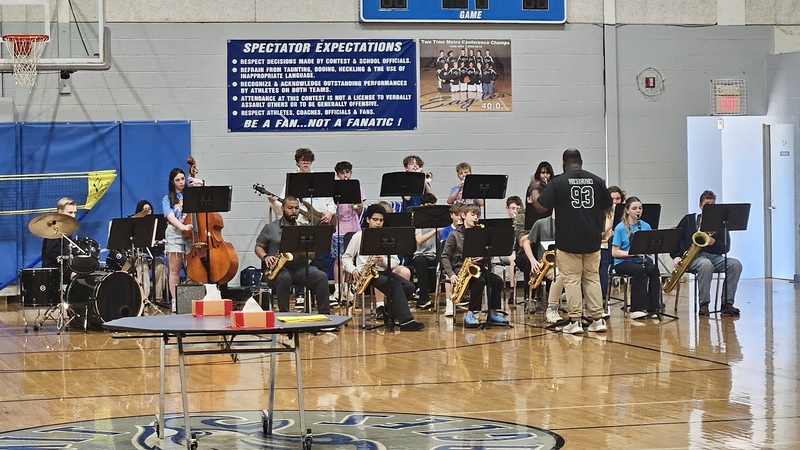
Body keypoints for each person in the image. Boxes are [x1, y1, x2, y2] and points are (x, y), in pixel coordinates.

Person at [534, 149, 612, 334]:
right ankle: (598, 319)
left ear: (564, 164)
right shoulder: (596, 180)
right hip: (592, 239)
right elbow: (608, 206)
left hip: (568, 240)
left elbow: (540, 207)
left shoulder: (558, 181)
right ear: (581, 162)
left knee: (572, 280)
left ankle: (575, 321)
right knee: (592, 278)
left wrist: (535, 190)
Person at [268, 148, 336, 309]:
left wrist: (329, 212)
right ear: (297, 162)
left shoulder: (320, 180)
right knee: (298, 260)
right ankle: (300, 295)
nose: (306, 162)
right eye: (303, 160)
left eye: (308, 160)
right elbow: (282, 207)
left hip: (319, 225)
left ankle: (320, 297)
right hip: (299, 226)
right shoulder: (291, 181)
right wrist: (273, 202)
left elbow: (331, 203)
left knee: (319, 261)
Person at [342, 204, 425, 331]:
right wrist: (353, 269)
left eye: (381, 220)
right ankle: (406, 322)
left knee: (410, 287)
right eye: (375, 219)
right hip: (366, 275)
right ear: (368, 219)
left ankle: (388, 313)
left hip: (383, 271)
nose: (378, 223)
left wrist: (383, 262)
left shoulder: (387, 236)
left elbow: (395, 261)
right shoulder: (359, 236)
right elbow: (346, 257)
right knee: (394, 285)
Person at [254, 196, 331, 315]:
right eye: (290, 208)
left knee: (321, 276)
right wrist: (265, 257)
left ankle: (325, 314)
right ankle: (284, 314)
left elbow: (312, 256)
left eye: (296, 208)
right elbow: (258, 247)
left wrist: (302, 250)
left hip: (300, 269)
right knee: (285, 278)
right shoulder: (270, 228)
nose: (294, 211)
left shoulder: (304, 228)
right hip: (278, 269)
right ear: (282, 208)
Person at [670, 190, 742, 317]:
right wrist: (675, 256)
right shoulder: (689, 220)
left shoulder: (721, 223)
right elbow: (674, 239)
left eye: (712, 205)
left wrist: (713, 242)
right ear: (700, 206)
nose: (710, 208)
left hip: (715, 257)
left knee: (736, 264)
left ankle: (727, 303)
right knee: (705, 264)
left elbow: (725, 248)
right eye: (706, 205)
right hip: (694, 258)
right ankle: (704, 304)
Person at [441, 204, 507, 328]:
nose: (476, 218)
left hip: (478, 268)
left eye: (477, 215)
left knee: (497, 281)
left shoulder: (481, 234)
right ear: (463, 215)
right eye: (473, 215)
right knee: (479, 281)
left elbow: (489, 253)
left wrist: (483, 256)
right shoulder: (454, 235)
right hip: (460, 269)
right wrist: (451, 274)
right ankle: (470, 314)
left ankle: (493, 312)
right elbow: (445, 256)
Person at [611, 197, 661, 319]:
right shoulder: (620, 228)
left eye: (640, 208)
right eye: (634, 208)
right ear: (627, 210)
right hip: (622, 262)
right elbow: (615, 252)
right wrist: (632, 253)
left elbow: (649, 250)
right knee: (639, 270)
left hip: (639, 260)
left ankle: (653, 307)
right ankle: (636, 308)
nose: (638, 211)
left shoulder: (645, 226)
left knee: (654, 270)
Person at [162, 167, 204, 306]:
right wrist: (182, 227)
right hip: (175, 233)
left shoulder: (191, 194)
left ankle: (191, 300)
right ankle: (176, 301)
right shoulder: (167, 199)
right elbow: (171, 217)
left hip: (192, 233)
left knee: (193, 268)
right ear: (172, 182)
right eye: (177, 180)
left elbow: (207, 198)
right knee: (175, 269)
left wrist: (201, 183)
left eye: (182, 178)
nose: (181, 182)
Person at [521, 209, 565, 323]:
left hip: (566, 264)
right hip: (547, 266)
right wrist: (532, 260)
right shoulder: (541, 223)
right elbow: (526, 242)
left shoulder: (569, 223)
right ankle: (552, 309)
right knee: (560, 276)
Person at [331, 161, 365, 306]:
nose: (345, 175)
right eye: (342, 173)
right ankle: (338, 289)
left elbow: (360, 209)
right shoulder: (334, 188)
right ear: (337, 174)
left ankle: (348, 288)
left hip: (353, 228)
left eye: (347, 172)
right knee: (338, 260)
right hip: (338, 229)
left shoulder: (356, 186)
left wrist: (355, 204)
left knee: (351, 259)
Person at [132, 200, 168, 303]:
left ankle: (157, 298)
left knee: (161, 267)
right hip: (140, 256)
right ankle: (144, 298)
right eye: (145, 209)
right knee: (142, 268)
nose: (148, 211)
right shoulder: (134, 223)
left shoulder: (157, 223)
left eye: (149, 209)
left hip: (153, 255)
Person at [41, 197, 78, 284]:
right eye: (70, 212)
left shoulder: (67, 229)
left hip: (64, 270)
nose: (73, 216)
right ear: (61, 212)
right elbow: (53, 254)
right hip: (54, 274)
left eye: (75, 213)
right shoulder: (54, 229)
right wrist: (69, 273)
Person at [411, 193, 439, 309]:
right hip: (421, 254)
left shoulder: (440, 219)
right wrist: (435, 230)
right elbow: (419, 240)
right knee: (420, 262)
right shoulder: (418, 222)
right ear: (422, 206)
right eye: (428, 206)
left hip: (436, 254)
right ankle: (424, 297)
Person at [601, 186, 626, 298]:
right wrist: (611, 224)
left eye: (618, 199)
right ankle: (603, 296)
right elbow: (600, 235)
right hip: (605, 246)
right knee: (604, 265)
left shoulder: (625, 213)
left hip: (622, 247)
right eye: (612, 199)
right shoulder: (602, 213)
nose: (615, 202)